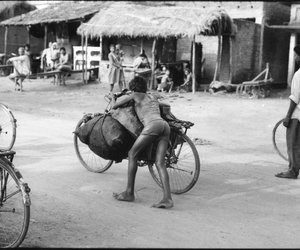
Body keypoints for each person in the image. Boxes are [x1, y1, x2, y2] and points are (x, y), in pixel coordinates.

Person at [111, 76, 173, 209]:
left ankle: (129, 192)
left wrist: (112, 97)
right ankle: (167, 199)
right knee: (160, 163)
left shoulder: (134, 95)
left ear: (133, 87)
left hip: (153, 126)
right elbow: (160, 101)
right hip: (164, 126)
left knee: (132, 154)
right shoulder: (152, 96)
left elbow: (115, 105)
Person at [275, 45, 300, 179]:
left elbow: (295, 98)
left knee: (293, 143)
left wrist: (288, 116)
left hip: (297, 115)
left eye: (297, 55)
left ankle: (293, 170)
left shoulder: (298, 75)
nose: (295, 58)